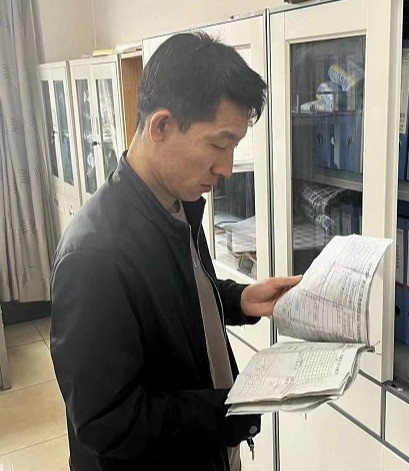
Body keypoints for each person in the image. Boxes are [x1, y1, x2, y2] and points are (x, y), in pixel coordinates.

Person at [50, 32, 301, 471]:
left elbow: (178, 299)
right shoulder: (94, 256)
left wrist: (240, 299)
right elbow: (108, 422)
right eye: (219, 145)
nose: (226, 167)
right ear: (161, 126)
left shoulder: (177, 204)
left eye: (234, 147)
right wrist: (234, 410)